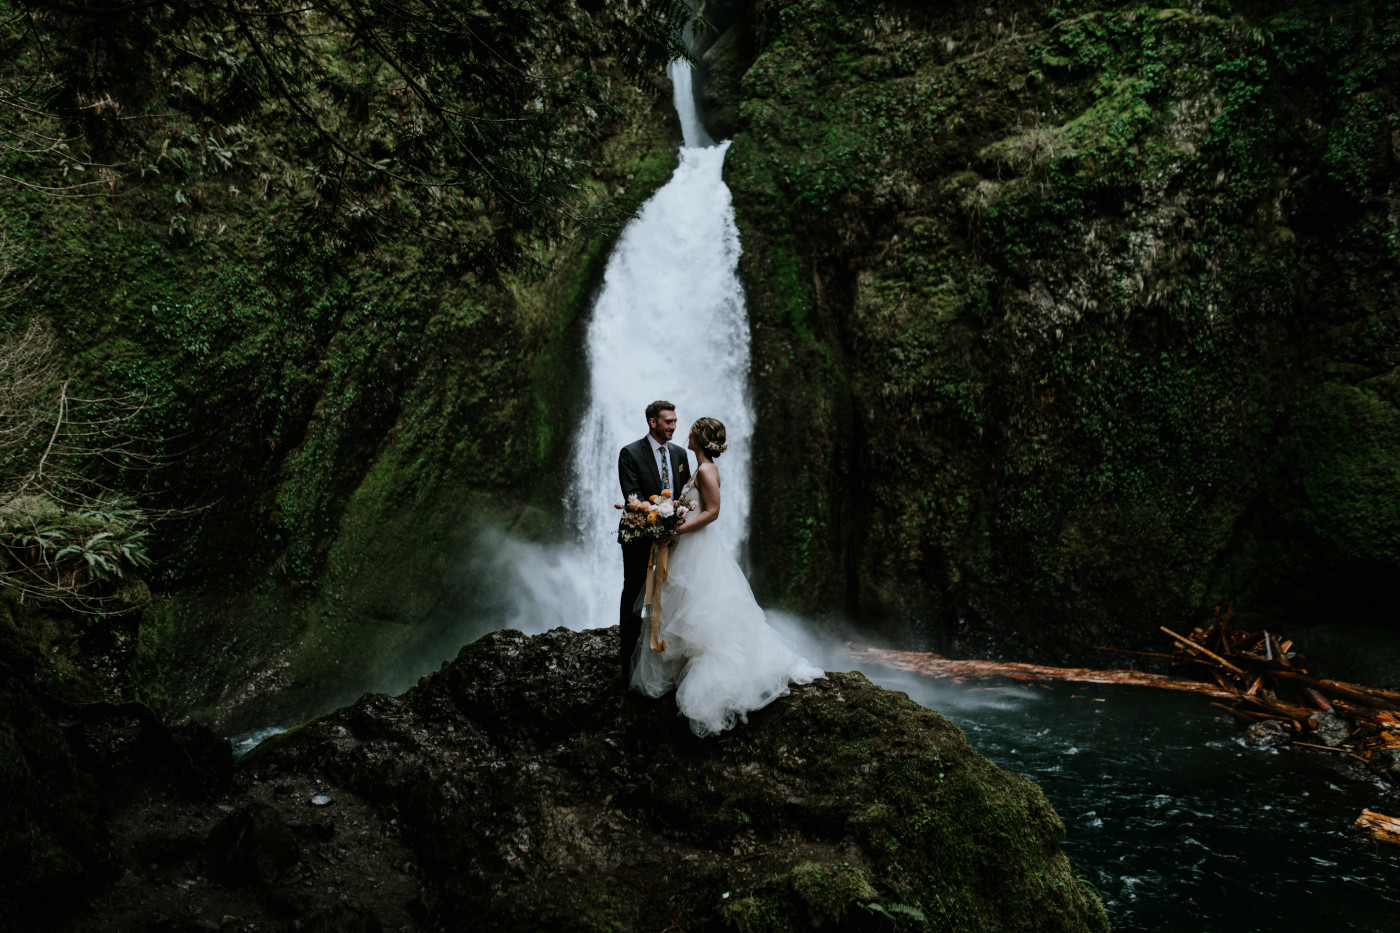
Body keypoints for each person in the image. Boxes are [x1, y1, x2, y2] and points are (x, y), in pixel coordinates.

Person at [630, 416, 824, 736]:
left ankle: (709, 679)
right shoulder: (700, 469)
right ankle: (680, 669)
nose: (686, 435)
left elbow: (713, 512)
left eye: (691, 431)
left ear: (700, 438)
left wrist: (677, 527)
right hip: (690, 545)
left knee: (699, 610)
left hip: (699, 549)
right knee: (684, 607)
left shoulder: (706, 471)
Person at [617, 400, 692, 684]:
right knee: (633, 591)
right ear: (652, 422)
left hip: (671, 537)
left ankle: (665, 663)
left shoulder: (680, 453)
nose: (674, 426)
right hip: (639, 537)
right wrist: (659, 519)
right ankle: (628, 664)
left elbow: (684, 494)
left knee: (672, 593)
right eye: (668, 422)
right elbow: (632, 495)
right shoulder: (630, 453)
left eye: (674, 421)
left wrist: (675, 520)